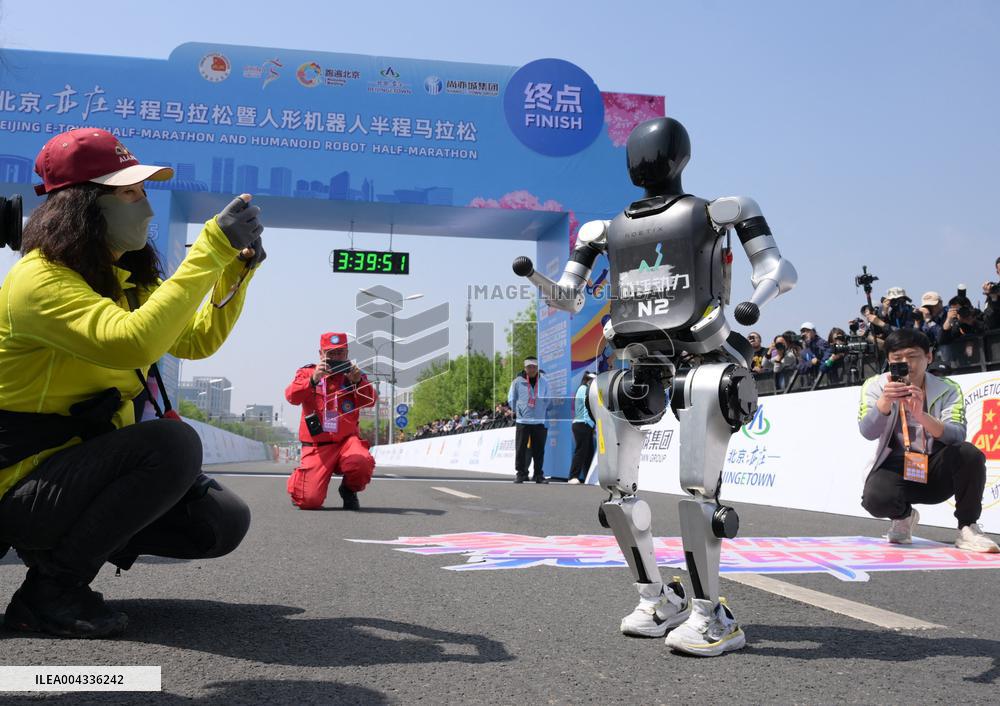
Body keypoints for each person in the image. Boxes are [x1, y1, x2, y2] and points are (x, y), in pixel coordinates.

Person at [0, 128, 262, 638]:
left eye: (144, 192)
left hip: (72, 473)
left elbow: (195, 339)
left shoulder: (123, 277)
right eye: (129, 193)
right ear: (82, 206)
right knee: (171, 445)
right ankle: (53, 590)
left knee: (220, 520)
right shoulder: (40, 279)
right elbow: (133, 344)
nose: (144, 207)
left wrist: (234, 273)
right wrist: (208, 248)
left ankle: (70, 547)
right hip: (16, 478)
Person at [858, 328, 998, 552]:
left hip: (936, 466)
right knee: (875, 498)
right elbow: (867, 432)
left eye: (913, 357)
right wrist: (884, 402)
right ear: (889, 361)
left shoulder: (947, 388)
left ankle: (968, 528)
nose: (906, 364)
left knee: (969, 453)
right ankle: (903, 516)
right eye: (897, 359)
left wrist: (922, 416)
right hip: (897, 465)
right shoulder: (875, 386)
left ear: (929, 357)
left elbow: (957, 435)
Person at [285, 332, 377, 511]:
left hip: (347, 442)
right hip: (318, 446)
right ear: (321, 354)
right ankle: (301, 478)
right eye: (330, 354)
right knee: (309, 501)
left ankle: (348, 490)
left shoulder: (354, 375)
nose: (335, 358)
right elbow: (291, 397)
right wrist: (313, 380)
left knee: (362, 461)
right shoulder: (307, 373)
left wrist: (358, 382)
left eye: (340, 353)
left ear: (347, 353)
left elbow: (370, 401)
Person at [508, 356, 551, 483]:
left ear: (537, 368)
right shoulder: (517, 382)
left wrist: (542, 409)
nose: (531, 369)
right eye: (529, 367)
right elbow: (511, 399)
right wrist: (519, 410)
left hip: (539, 421)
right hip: (523, 421)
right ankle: (521, 474)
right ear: (525, 368)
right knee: (520, 449)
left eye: (534, 367)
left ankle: (538, 475)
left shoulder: (544, 382)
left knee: (539, 450)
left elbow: (548, 398)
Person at [568, 372, 597, 484]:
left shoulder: (583, 388)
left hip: (585, 424)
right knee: (581, 451)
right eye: (593, 381)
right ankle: (573, 476)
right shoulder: (584, 389)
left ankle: (587, 476)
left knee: (588, 452)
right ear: (588, 380)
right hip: (582, 424)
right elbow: (589, 409)